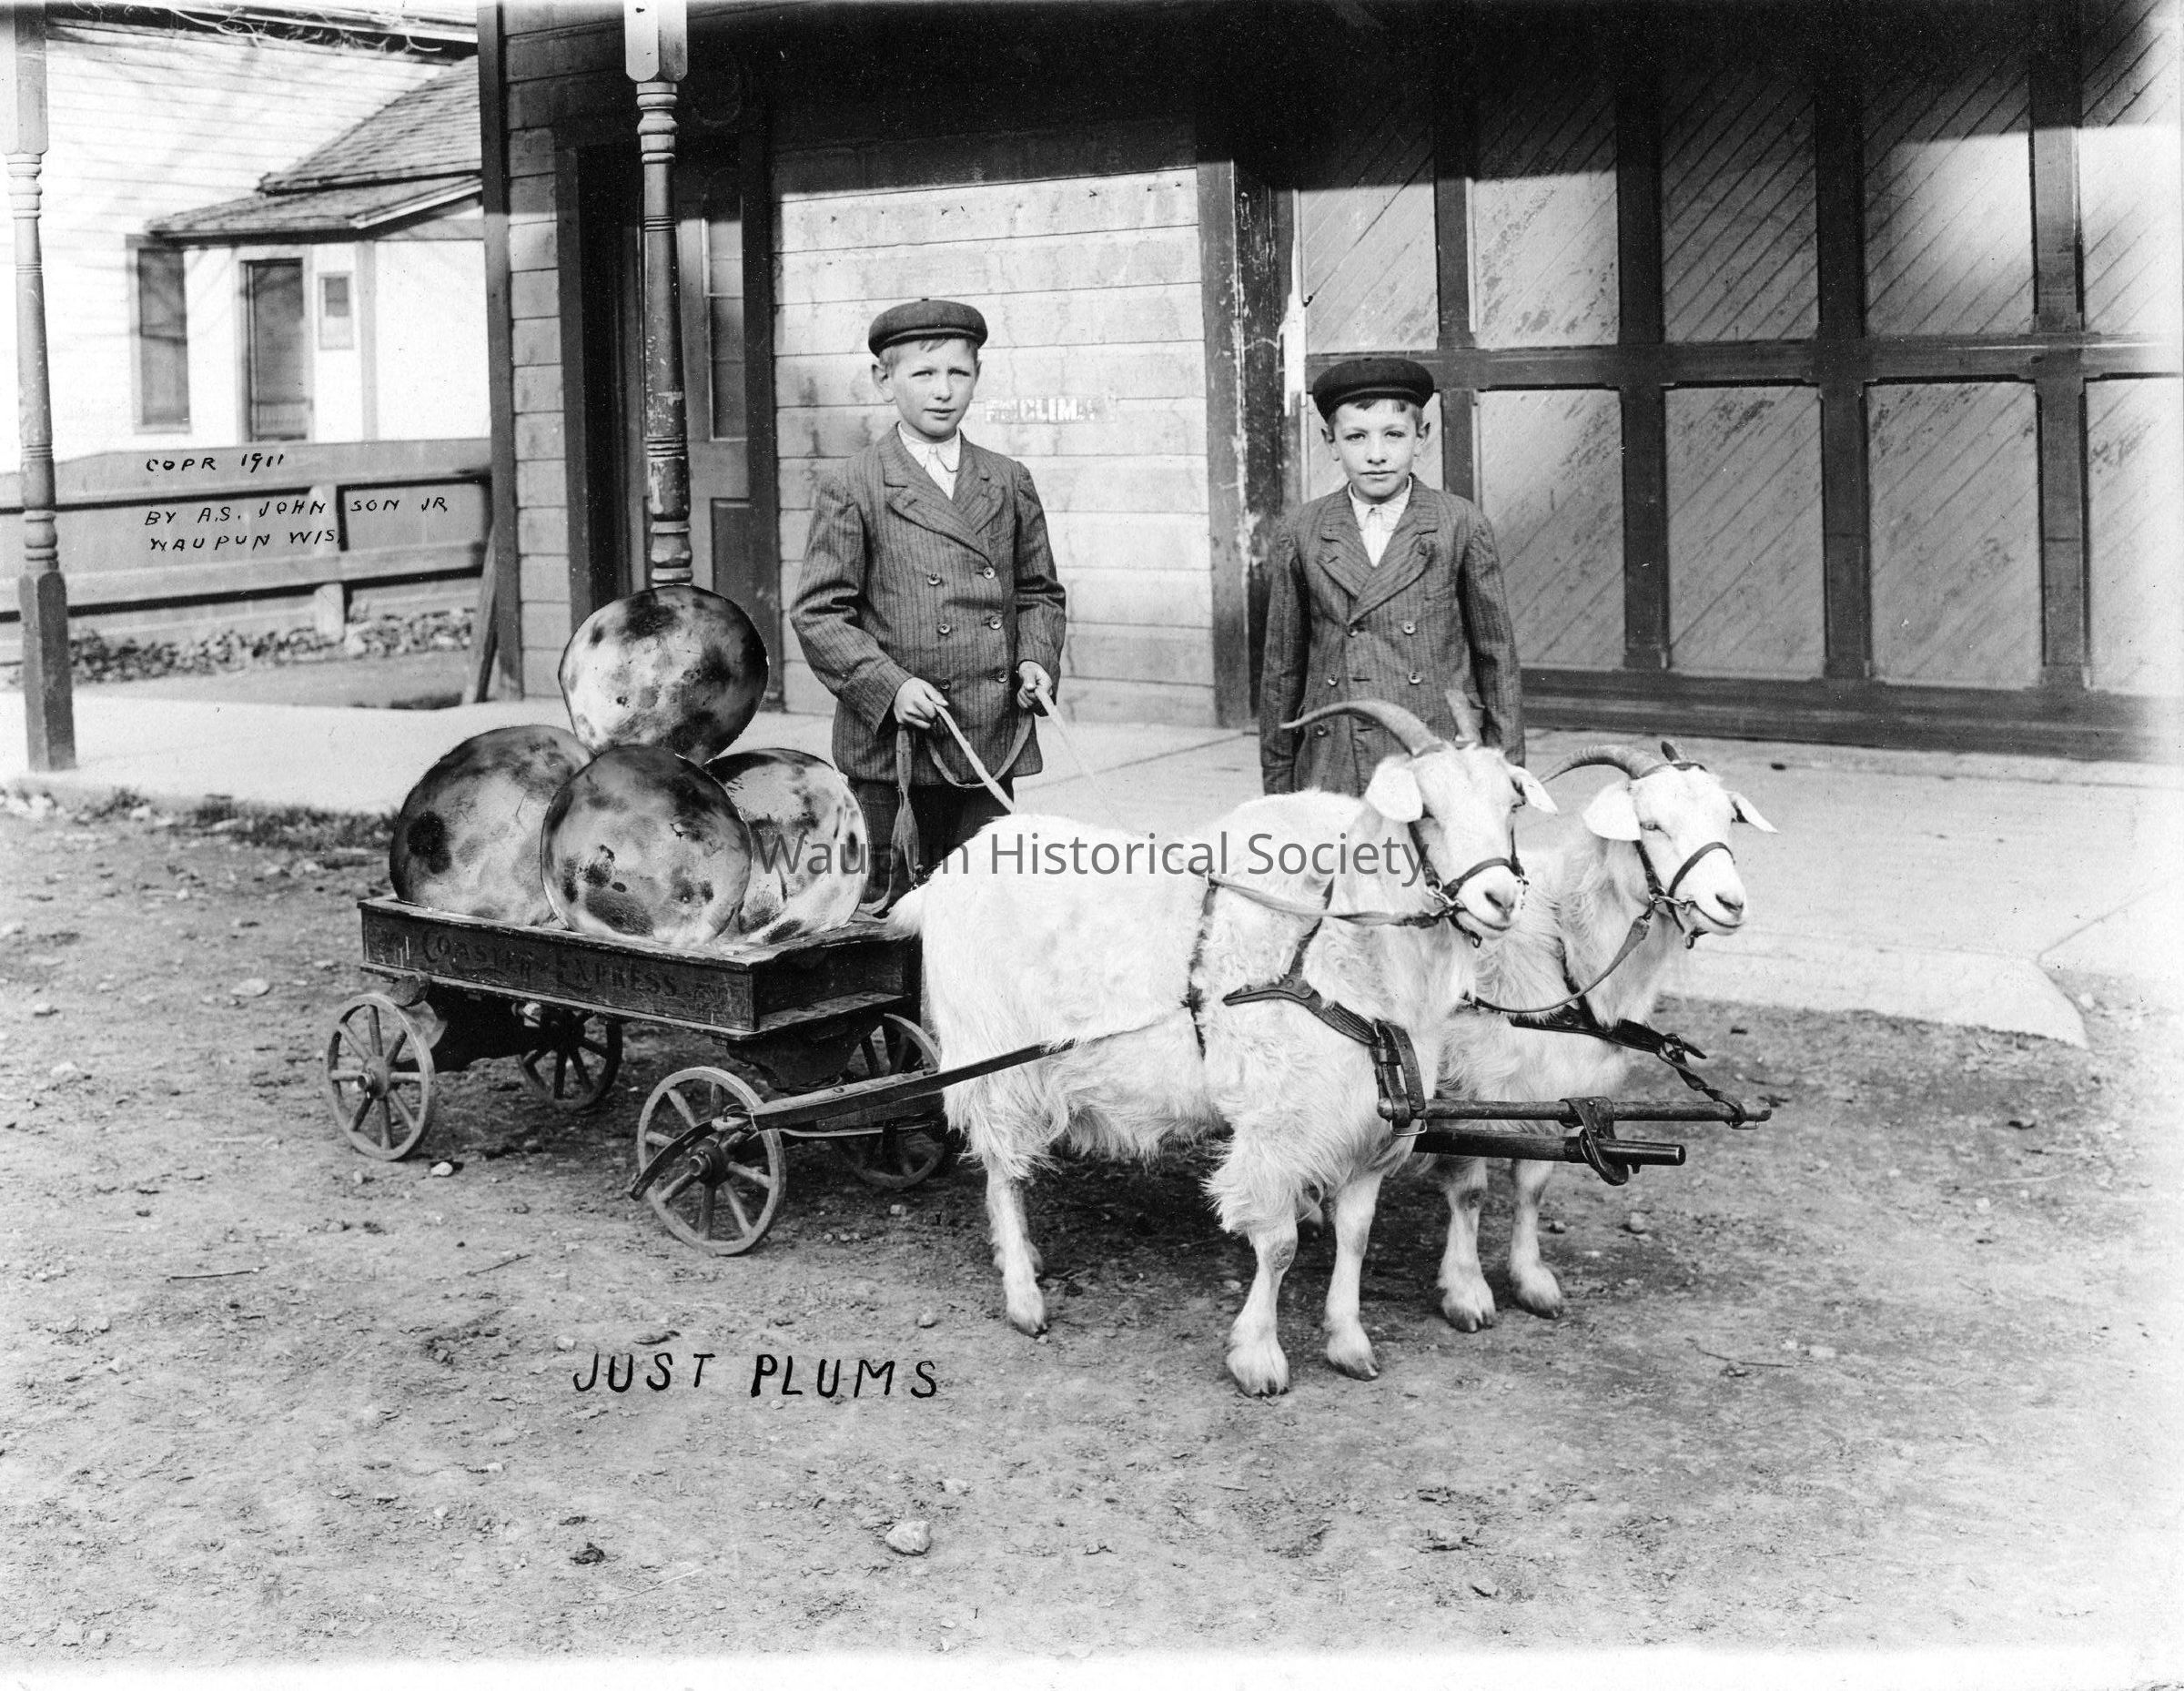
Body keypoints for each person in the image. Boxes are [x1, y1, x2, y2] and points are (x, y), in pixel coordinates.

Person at [791, 298, 1067, 905]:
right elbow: (819, 612)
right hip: (896, 750)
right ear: (883, 379)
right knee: (891, 905)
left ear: (977, 375)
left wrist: (1035, 659)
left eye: (958, 373)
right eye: (923, 374)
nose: (943, 391)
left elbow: (1039, 592)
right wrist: (889, 688)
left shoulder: (1008, 478)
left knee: (983, 903)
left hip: (989, 735)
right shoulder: (854, 483)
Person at [1258, 356, 1523, 796]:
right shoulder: (1302, 530)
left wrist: (1505, 773)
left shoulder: (1459, 523)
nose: (1376, 454)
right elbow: (1282, 670)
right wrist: (1279, 787)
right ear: (1330, 442)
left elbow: (1497, 660)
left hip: (1437, 750)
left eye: (1394, 435)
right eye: (1356, 437)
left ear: (1421, 437)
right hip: (1337, 753)